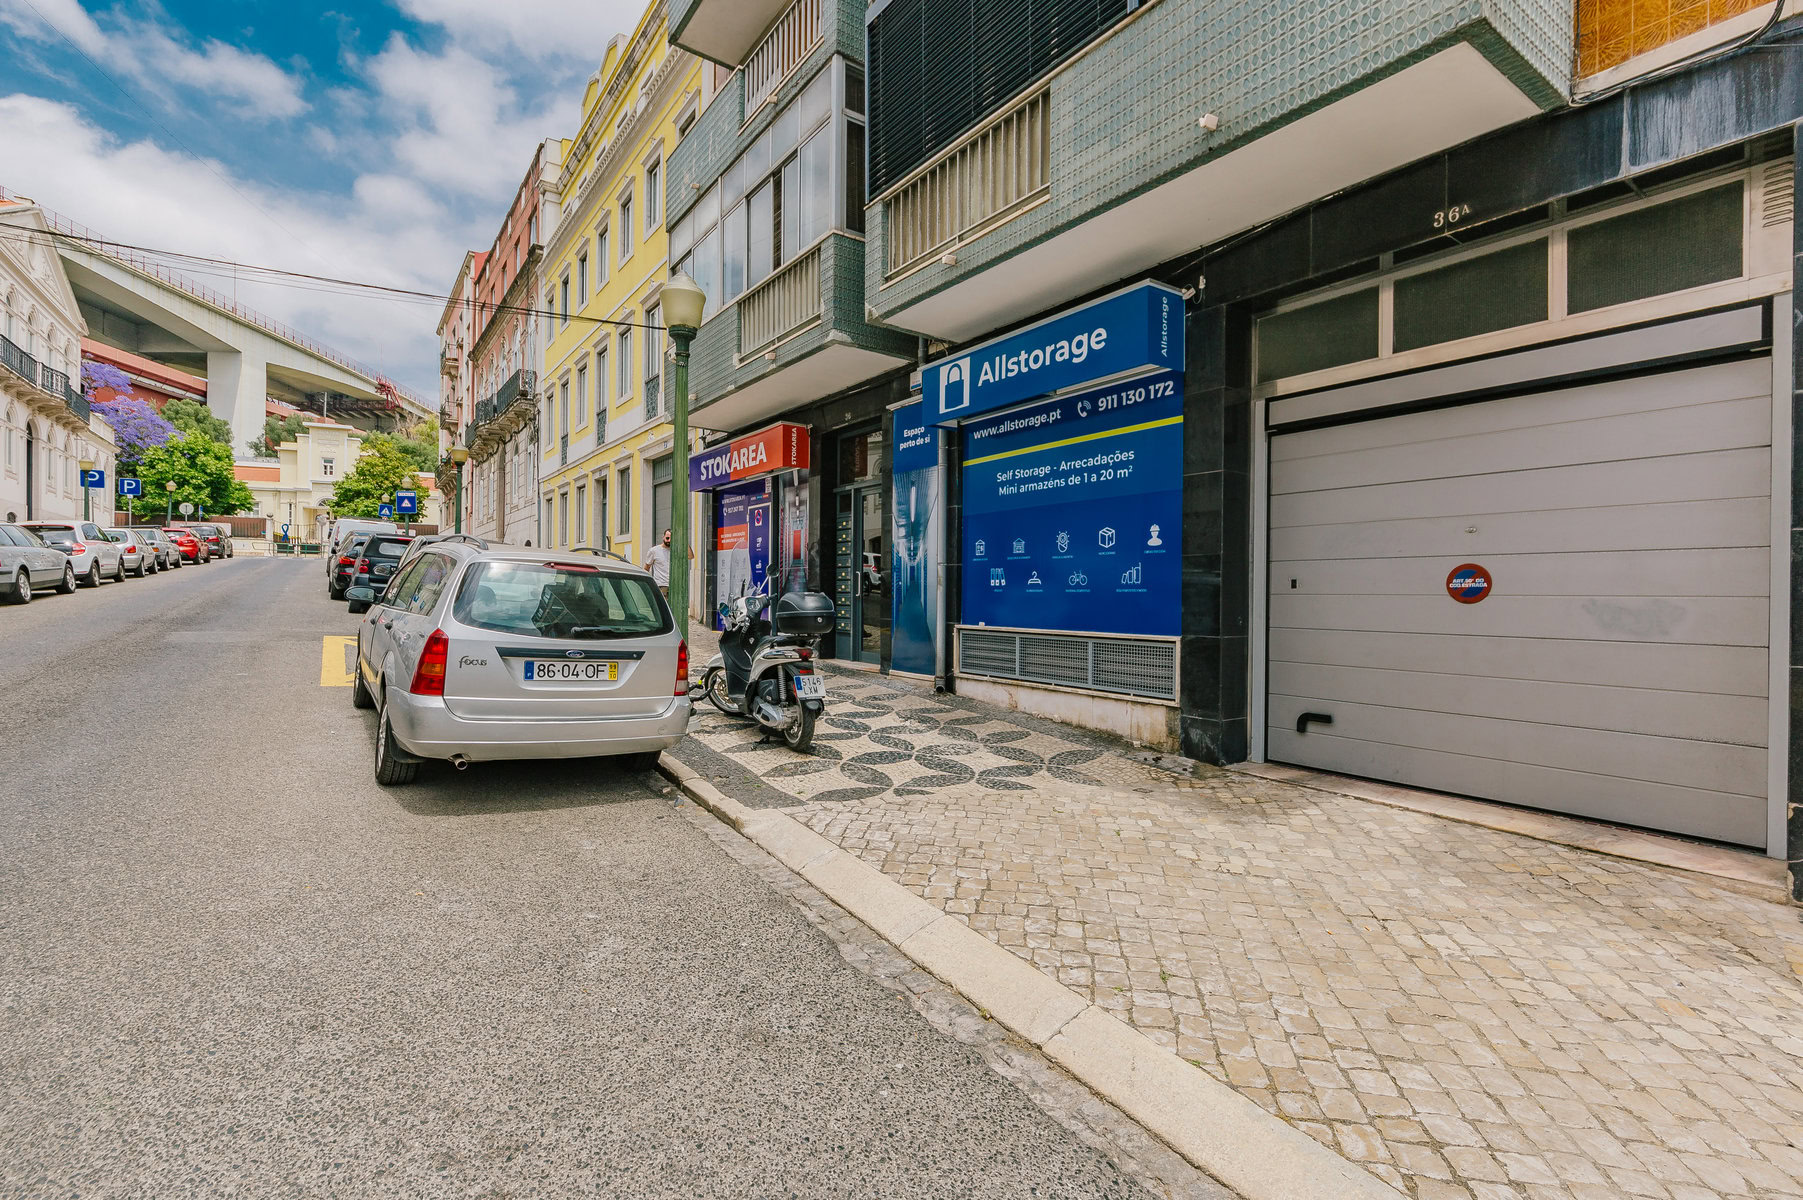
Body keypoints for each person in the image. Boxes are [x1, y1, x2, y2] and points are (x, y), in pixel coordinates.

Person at [643, 527, 692, 598]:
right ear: (663, 537)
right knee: (662, 608)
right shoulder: (654, 551)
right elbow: (647, 567)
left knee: (674, 608)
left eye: (671, 539)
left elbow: (690, 556)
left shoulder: (676, 551)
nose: (669, 540)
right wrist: (647, 584)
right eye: (667, 538)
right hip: (661, 585)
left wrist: (684, 541)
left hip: (675, 586)